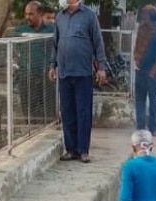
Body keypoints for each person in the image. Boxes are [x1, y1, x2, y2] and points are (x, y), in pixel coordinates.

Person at [50, 0, 108, 163]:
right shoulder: (60, 17)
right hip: (64, 72)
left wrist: (101, 67)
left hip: (82, 72)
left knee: (83, 112)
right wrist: (52, 65)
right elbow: (55, 43)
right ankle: (71, 149)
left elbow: (98, 42)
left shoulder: (89, 16)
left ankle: (83, 150)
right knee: (67, 112)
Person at [14, 1, 55, 122]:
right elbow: (14, 51)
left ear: (40, 14)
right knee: (28, 113)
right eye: (26, 14)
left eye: (31, 14)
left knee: (49, 114)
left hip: (46, 77)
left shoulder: (51, 31)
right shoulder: (20, 31)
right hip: (27, 77)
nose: (28, 17)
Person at [133, 6, 156, 135]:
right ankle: (141, 126)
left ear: (151, 15)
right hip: (141, 68)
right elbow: (137, 45)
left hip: (154, 69)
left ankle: (153, 128)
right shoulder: (141, 28)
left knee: (153, 99)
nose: (143, 16)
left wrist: (154, 69)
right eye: (142, 13)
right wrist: (136, 59)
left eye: (145, 13)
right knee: (140, 99)